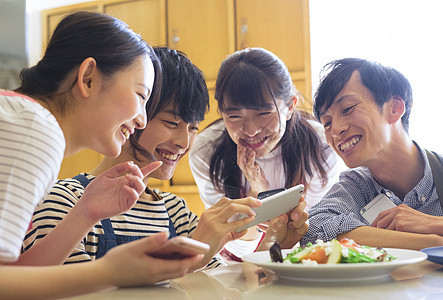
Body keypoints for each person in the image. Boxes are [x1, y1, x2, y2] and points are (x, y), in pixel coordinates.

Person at [24, 47, 309, 271]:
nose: (184, 142)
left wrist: (273, 240)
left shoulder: (175, 212)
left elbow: (218, 287)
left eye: (193, 127)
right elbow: (61, 290)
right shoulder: (64, 199)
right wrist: (193, 247)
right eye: (172, 123)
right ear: (136, 111)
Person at [0, 12, 203, 299]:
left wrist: (85, 212)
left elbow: (15, 278)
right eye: (141, 96)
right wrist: (110, 272)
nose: (142, 120)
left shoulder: (25, 120)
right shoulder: (34, 129)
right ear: (88, 79)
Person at [302, 57, 443, 250]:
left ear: (395, 108)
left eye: (348, 109)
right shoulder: (356, 186)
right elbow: (315, 229)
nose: (336, 130)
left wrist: (431, 223)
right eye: (327, 122)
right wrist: (436, 243)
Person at [189, 47, 346, 261]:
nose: (251, 130)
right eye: (234, 116)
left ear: (290, 106)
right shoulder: (206, 152)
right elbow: (234, 244)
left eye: (264, 113)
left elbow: (313, 232)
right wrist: (257, 193)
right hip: (235, 268)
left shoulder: (321, 146)